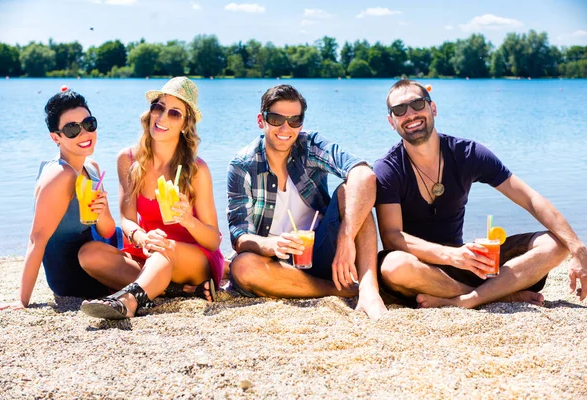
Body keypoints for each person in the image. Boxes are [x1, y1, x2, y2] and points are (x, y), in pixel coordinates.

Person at [374, 79, 587, 309]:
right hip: (421, 271)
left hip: (467, 262)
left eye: (417, 104)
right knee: (393, 265)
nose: (411, 114)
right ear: (391, 121)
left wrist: (578, 248)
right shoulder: (388, 169)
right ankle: (498, 295)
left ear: (432, 108)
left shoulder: (468, 154)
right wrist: (450, 256)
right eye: (399, 110)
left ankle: (470, 299)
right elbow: (391, 236)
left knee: (557, 242)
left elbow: (531, 199)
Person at [227, 84, 386, 320]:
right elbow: (240, 237)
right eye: (276, 118)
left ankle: (369, 289)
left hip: (324, 250)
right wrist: (273, 245)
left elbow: (364, 175)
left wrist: (345, 236)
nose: (285, 128)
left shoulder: (309, 144)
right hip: (279, 264)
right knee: (242, 266)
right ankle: (342, 289)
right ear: (261, 120)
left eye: (294, 120)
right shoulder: (243, 165)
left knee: (349, 192)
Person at [80, 77, 224, 319]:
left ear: (186, 124)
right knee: (89, 254)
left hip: (194, 260)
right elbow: (126, 219)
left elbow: (212, 241)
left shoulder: (197, 170)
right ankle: (177, 291)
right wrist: (142, 237)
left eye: (174, 113)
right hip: (149, 251)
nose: (162, 117)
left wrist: (188, 220)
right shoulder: (127, 159)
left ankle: (127, 301)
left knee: (162, 250)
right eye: (158, 107)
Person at [0, 90, 118, 311]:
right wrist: (22, 300)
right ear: (56, 137)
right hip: (73, 274)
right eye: (72, 129)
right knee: (141, 264)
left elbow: (106, 231)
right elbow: (36, 239)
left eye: (89, 123)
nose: (84, 133)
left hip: (97, 257)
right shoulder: (60, 175)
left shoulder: (92, 168)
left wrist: (103, 211)